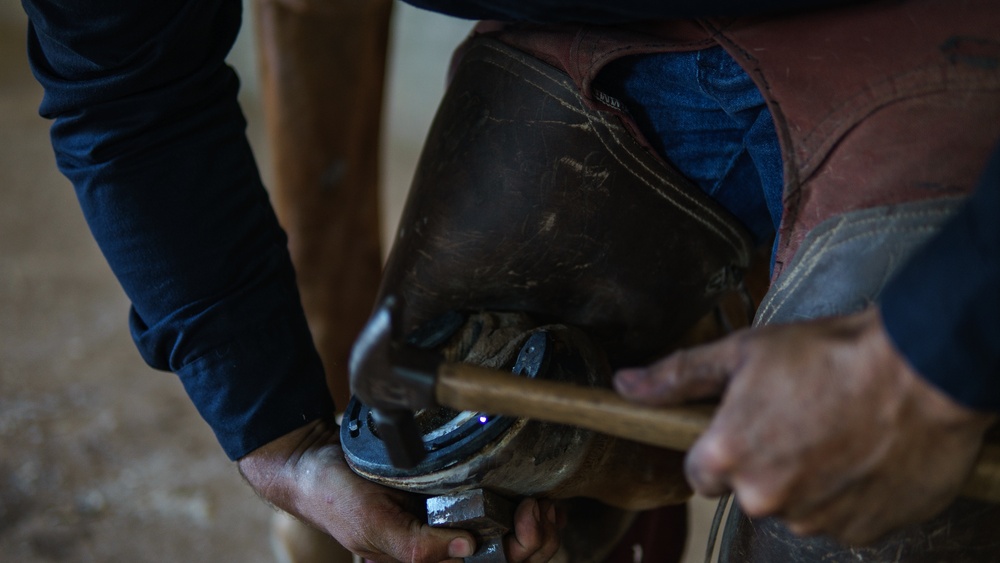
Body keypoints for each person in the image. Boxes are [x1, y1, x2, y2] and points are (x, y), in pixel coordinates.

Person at [21, 1, 999, 562]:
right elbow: (127, 89)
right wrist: (275, 432)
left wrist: (931, 343)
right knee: (446, 471)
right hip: (604, 38)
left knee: (864, 522)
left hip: (947, 29)